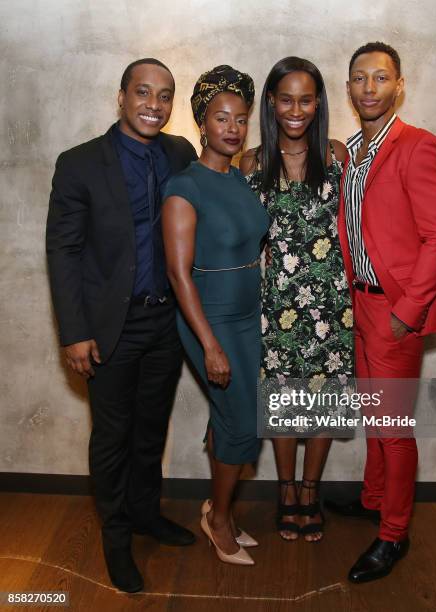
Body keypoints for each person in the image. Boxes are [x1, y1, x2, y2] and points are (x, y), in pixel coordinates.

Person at [46, 58, 197, 593]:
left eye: (163, 96)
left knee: (151, 429)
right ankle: (116, 538)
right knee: (112, 436)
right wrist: (72, 330)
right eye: (142, 93)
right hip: (110, 328)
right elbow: (62, 251)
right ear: (121, 96)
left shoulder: (180, 154)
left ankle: (145, 515)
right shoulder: (80, 163)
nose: (153, 105)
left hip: (165, 322)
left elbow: (220, 175)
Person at [325, 42, 436, 582]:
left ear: (398, 86)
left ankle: (394, 535)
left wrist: (408, 310)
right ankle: (375, 498)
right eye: (360, 78)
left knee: (394, 427)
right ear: (350, 87)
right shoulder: (351, 153)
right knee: (375, 418)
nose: (370, 87)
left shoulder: (419, 146)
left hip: (394, 311)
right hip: (357, 304)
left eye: (381, 78)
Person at [240, 57, 354, 542]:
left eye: (306, 100)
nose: (296, 109)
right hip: (278, 302)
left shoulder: (336, 156)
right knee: (285, 399)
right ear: (271, 101)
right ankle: (286, 491)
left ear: (318, 103)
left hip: (332, 301)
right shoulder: (251, 162)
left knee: (323, 400)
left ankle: (311, 489)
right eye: (286, 99)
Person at [162, 65, 269, 566]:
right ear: (201, 123)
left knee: (231, 415)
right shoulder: (185, 186)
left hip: (248, 314)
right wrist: (208, 344)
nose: (232, 127)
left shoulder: (241, 177)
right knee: (242, 421)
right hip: (212, 318)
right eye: (220, 117)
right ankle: (219, 519)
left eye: (241, 118)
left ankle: (219, 506)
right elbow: (180, 274)